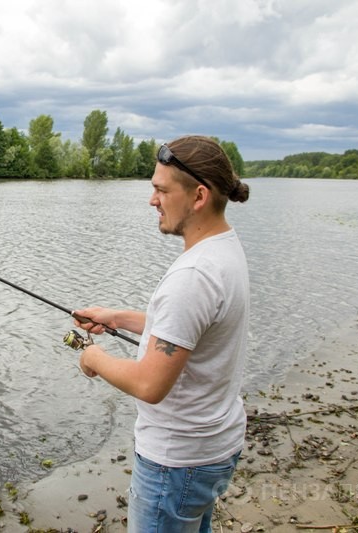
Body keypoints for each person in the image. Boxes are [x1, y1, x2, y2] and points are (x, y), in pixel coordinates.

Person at [73, 135, 251, 532]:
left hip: (177, 461)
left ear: (199, 195)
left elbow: (151, 384)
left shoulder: (192, 275)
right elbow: (194, 330)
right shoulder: (225, 248)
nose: (152, 200)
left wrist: (94, 357)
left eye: (160, 189)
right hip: (214, 446)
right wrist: (117, 317)